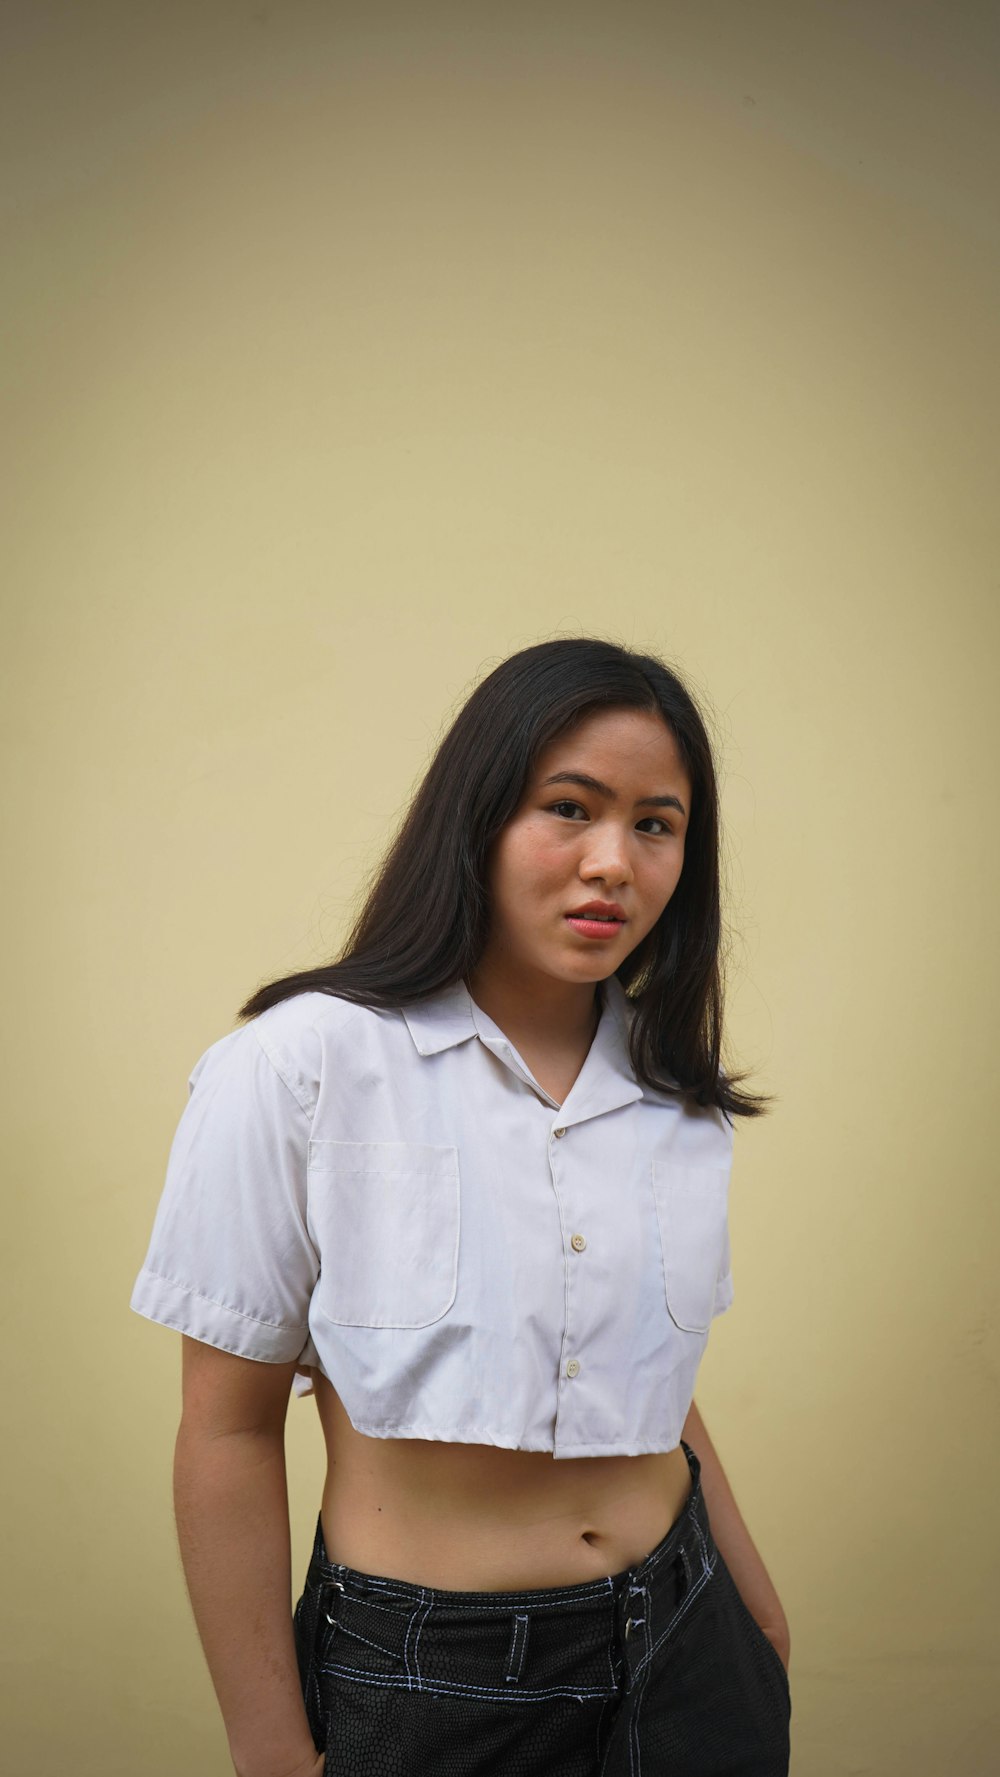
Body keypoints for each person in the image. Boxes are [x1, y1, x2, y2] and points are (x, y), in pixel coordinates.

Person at [131, 636, 791, 1777]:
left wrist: (760, 1618)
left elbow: (646, 1388)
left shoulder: (676, 1094)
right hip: (438, 1678)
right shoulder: (302, 1066)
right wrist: (271, 1751)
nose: (612, 863)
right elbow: (227, 1428)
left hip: (694, 1640)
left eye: (655, 823)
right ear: (476, 817)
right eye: (568, 807)